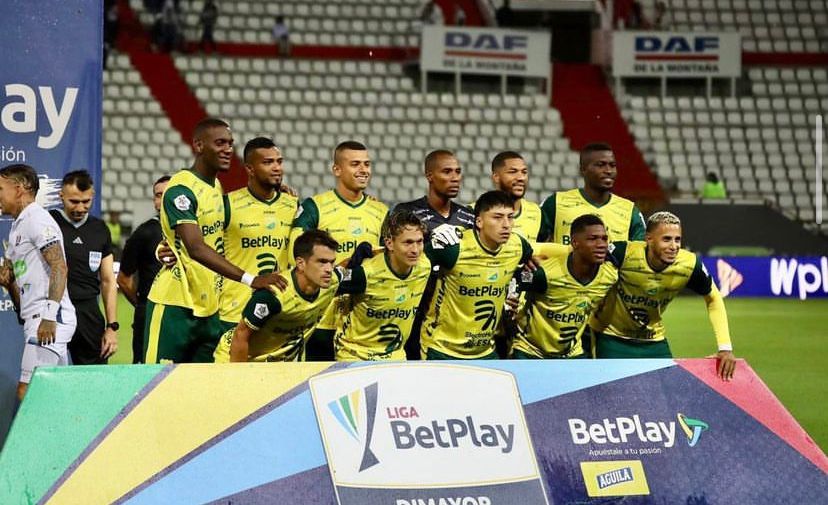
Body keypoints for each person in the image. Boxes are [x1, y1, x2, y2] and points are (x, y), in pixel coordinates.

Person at [144, 118, 283, 364]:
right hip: (175, 304)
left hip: (209, 308)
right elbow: (196, 248)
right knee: (156, 381)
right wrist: (251, 279)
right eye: (220, 143)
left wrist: (280, 192)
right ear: (199, 145)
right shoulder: (181, 189)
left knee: (202, 384)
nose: (228, 149)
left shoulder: (216, 187)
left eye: (230, 143)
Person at [589, 211, 737, 380]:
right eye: (666, 239)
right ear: (649, 239)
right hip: (613, 339)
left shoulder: (689, 264)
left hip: (654, 341)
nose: (674, 246)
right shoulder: (623, 253)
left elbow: (714, 298)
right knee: (617, 395)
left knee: (668, 394)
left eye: (677, 239)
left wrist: (725, 348)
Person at [291, 140, 388, 360]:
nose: (363, 170)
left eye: (367, 164)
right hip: (322, 318)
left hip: (362, 322)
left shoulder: (381, 211)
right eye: (355, 164)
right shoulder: (314, 207)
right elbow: (296, 256)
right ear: (336, 169)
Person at [420, 190, 533, 360]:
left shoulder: (518, 246)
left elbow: (532, 264)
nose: (506, 224)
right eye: (497, 217)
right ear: (479, 221)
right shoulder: (453, 248)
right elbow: (411, 265)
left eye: (510, 217)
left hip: (486, 351)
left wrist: (514, 290)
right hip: (442, 349)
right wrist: (431, 237)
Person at [0, 164, 76, 400]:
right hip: (37, 318)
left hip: (50, 318)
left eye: (0, 189)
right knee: (56, 395)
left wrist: (50, 316)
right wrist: (8, 283)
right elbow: (15, 289)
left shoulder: (37, 219)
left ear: (19, 189)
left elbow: (59, 266)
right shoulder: (17, 227)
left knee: (28, 392)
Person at [213, 230, 342, 362]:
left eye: (332, 262)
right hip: (240, 358)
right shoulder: (273, 294)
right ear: (301, 263)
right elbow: (240, 336)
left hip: (281, 362)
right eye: (322, 262)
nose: (329, 269)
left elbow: (345, 269)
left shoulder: (333, 281)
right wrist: (239, 374)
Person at [394, 149, 475, 359]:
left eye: (458, 171)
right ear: (429, 176)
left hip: (455, 313)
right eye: (447, 172)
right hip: (414, 307)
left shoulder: (469, 217)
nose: (455, 177)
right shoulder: (406, 213)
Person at [218, 137, 298, 334]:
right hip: (234, 311)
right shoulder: (227, 204)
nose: (277, 168)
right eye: (268, 162)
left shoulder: (294, 206)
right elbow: (200, 243)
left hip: (279, 310)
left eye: (279, 161)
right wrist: (163, 249)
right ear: (250, 169)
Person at [513, 214, 617, 359]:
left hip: (572, 354)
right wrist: (511, 300)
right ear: (575, 243)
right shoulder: (543, 274)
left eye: (604, 239)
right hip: (531, 352)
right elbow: (513, 279)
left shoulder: (610, 275)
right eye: (592, 239)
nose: (601, 244)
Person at [335, 210, 431, 361]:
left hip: (396, 356)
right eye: (407, 243)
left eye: (419, 242)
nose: (415, 250)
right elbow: (326, 281)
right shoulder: (365, 274)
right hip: (356, 355)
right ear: (389, 243)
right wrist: (348, 264)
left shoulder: (424, 265)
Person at [49, 171, 118, 365]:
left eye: (86, 201)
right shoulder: (48, 223)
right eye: (74, 201)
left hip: (88, 312)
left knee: (94, 375)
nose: (80, 208)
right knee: (47, 371)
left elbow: (108, 281)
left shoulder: (100, 229)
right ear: (61, 196)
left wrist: (112, 327)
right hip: (55, 310)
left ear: (92, 196)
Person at [539, 142, 646, 244]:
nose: (608, 171)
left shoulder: (629, 211)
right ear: (583, 169)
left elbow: (640, 252)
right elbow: (535, 244)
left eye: (612, 165)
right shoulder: (556, 203)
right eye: (600, 165)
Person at [117, 175, 170, 363]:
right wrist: (144, 306)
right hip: (148, 316)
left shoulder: (193, 232)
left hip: (182, 315)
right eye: (158, 195)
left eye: (167, 194)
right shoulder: (144, 233)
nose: (161, 200)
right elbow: (123, 279)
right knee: (144, 370)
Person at [491, 151, 542, 241]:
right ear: (496, 177)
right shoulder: (474, 212)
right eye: (513, 172)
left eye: (524, 172)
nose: (521, 178)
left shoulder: (537, 212)